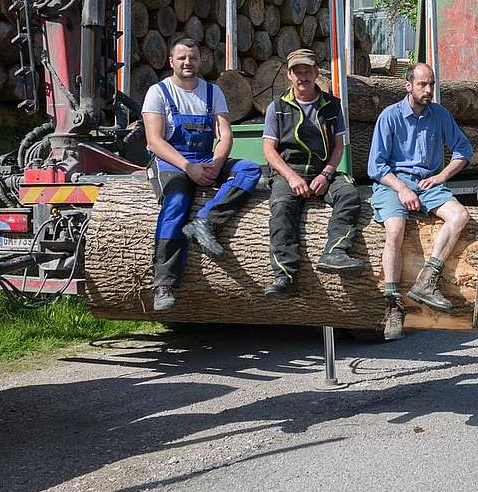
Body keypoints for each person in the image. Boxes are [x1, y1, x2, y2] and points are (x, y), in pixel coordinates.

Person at [142, 38, 262, 312]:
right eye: (182, 57)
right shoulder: (157, 92)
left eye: (193, 58)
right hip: (172, 163)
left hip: (207, 160)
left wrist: (217, 164)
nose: (188, 63)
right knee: (176, 205)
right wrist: (188, 167)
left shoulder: (212, 92)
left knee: (249, 169)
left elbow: (225, 134)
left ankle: (206, 221)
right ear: (171, 61)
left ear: (200, 61)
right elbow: (154, 141)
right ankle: (164, 284)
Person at [367, 63, 473, 341]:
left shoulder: (439, 115)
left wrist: (442, 176)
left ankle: (426, 281)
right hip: (394, 182)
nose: (428, 90)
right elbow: (376, 166)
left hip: (428, 184)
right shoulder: (389, 117)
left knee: (459, 216)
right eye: (422, 85)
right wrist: (402, 189)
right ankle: (392, 305)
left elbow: (463, 150)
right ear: (408, 86)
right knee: (395, 230)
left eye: (431, 85)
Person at [261, 49, 364, 299]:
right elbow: (269, 150)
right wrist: (291, 177)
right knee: (282, 207)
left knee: (349, 195)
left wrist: (327, 174)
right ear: (289, 75)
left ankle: (335, 252)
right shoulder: (277, 107)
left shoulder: (332, 105)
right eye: (298, 71)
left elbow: (339, 146)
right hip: (289, 171)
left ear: (316, 73)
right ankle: (285, 275)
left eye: (308, 71)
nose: (303, 76)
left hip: (321, 169)